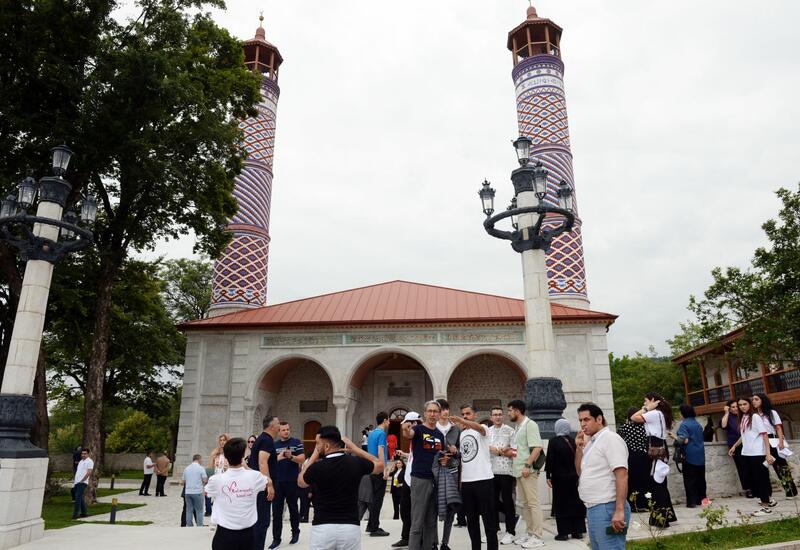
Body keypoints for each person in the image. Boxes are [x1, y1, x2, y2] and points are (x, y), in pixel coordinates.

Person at [298, 425, 384, 550]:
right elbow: (380, 465)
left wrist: (313, 456)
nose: (316, 447)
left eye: (318, 444)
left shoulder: (317, 467)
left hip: (323, 528)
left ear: (326, 446)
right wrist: (356, 449)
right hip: (350, 527)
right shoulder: (355, 463)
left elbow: (301, 482)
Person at [575, 403, 630, 550]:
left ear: (599, 419)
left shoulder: (610, 439)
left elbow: (622, 474)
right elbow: (580, 472)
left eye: (587, 419)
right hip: (594, 507)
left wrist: (619, 510)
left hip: (608, 507)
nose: (583, 424)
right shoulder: (592, 442)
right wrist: (579, 448)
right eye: (580, 420)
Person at [206, 437, 269, 550]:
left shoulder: (216, 480)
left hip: (224, 535)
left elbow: (207, 492)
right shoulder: (255, 476)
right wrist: (246, 467)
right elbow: (268, 481)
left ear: (226, 457)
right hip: (248, 536)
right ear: (243, 456)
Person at [451, 403, 498, 550]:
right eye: (463, 414)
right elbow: (465, 458)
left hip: (484, 480)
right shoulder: (462, 434)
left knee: (489, 520)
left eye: (468, 414)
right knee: (471, 521)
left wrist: (462, 421)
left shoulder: (482, 428)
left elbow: (478, 428)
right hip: (467, 483)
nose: (465, 416)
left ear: (475, 415)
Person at [402, 400, 444, 550]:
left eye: (435, 411)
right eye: (430, 411)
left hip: (435, 481)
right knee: (417, 522)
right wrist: (406, 429)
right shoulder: (418, 430)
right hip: (420, 479)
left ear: (439, 414)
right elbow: (409, 434)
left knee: (431, 523)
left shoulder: (440, 435)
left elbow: (440, 457)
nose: (432, 414)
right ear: (425, 413)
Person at [630, 392, 676, 527]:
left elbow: (634, 417)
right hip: (658, 448)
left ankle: (661, 519)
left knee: (656, 484)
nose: (644, 403)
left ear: (653, 400)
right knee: (660, 483)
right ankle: (666, 516)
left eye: (646, 401)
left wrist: (647, 408)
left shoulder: (655, 413)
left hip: (655, 450)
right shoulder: (659, 414)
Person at [728, 396, 776, 516]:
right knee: (755, 480)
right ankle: (767, 501)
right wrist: (735, 446)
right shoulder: (743, 417)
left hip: (758, 453)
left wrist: (768, 454)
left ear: (749, 404)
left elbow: (764, 435)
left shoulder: (755, 417)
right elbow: (744, 435)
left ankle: (766, 507)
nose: (742, 407)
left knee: (761, 479)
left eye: (744, 404)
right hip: (748, 453)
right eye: (740, 405)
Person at [507, 399, 544, 548]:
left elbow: (537, 447)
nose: (508, 413)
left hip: (527, 470)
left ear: (517, 411)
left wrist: (527, 465)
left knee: (533, 503)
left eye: (510, 410)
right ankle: (530, 533)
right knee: (525, 504)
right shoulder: (517, 427)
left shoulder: (530, 425)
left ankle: (538, 536)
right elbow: (519, 448)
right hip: (519, 471)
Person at [545, 419, 586, 541]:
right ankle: (578, 531)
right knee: (576, 503)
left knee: (561, 505)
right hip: (574, 478)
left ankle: (563, 533)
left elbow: (550, 460)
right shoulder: (574, 441)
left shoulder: (553, 441)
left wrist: (548, 476)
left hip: (560, 479)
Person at [753, 393, 798, 498]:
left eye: (756, 399)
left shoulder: (771, 413)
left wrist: (781, 441)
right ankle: (765, 495)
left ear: (762, 400)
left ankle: (791, 491)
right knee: (763, 467)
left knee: (781, 466)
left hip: (772, 440)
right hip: (760, 442)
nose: (754, 401)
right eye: (753, 399)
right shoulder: (754, 415)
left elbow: (778, 427)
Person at [270, 422, 306, 548]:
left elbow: (302, 458)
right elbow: (270, 462)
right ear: (279, 432)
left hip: (291, 481)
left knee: (293, 509)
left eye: (287, 429)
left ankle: (295, 533)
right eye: (283, 430)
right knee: (277, 512)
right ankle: (276, 539)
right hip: (278, 482)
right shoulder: (274, 445)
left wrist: (291, 457)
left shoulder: (296, 442)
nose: (286, 431)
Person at [391, 411, 422, 549]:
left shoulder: (420, 436)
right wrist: (405, 454)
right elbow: (414, 455)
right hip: (408, 480)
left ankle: (417, 539)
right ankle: (406, 537)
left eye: (407, 425)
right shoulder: (413, 439)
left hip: (416, 480)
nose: (405, 429)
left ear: (414, 423)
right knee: (404, 510)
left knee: (416, 512)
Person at [250, 415, 280, 550]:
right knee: (262, 521)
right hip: (263, 488)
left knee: (260, 521)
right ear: (271, 426)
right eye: (278, 423)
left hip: (258, 485)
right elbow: (262, 462)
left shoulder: (263, 439)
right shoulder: (266, 440)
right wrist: (269, 484)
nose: (279, 426)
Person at [487, 406, 516, 545]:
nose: (497, 417)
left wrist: (499, 451)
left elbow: (514, 451)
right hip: (491, 472)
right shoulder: (488, 431)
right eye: (495, 415)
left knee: (507, 501)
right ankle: (495, 529)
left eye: (499, 414)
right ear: (491, 417)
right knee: (492, 502)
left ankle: (510, 532)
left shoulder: (510, 431)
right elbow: (486, 449)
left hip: (506, 472)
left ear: (503, 416)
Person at [435, 398, 462, 549]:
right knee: (433, 507)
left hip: (452, 472)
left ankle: (445, 543)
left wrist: (456, 451)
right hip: (435, 472)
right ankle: (433, 541)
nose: (445, 412)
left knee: (451, 507)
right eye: (442, 409)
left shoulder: (456, 429)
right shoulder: (431, 428)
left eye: (446, 409)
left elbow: (461, 453)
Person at [670, 404, 707, 508]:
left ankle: (691, 502)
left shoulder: (684, 424)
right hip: (700, 455)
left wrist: (674, 436)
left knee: (689, 480)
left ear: (683, 413)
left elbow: (684, 440)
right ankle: (702, 500)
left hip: (689, 455)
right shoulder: (697, 424)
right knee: (701, 479)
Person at [617, 406, 649, 511]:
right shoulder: (645, 427)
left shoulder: (624, 427)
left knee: (632, 480)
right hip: (644, 455)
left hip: (631, 456)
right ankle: (644, 503)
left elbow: (619, 440)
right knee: (644, 479)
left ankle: (633, 504)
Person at [366, 411, 391, 537]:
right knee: (378, 499)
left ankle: (371, 525)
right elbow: (381, 451)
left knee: (374, 498)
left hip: (372, 468)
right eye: (388, 420)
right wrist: (384, 468)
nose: (389, 422)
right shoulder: (381, 433)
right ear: (385, 420)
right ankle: (374, 528)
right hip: (379, 468)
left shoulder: (371, 434)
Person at [721, 399, 751, 498]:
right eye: (732, 407)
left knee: (750, 465)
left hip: (747, 443)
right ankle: (748, 489)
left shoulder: (744, 416)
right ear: (729, 408)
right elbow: (723, 425)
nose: (735, 409)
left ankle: (755, 486)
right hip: (734, 445)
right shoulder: (728, 417)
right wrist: (726, 413)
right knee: (742, 467)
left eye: (736, 406)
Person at [182, 454, 209, 527]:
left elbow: (183, 481)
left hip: (188, 492)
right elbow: (205, 480)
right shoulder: (201, 468)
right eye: (201, 460)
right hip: (197, 492)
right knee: (199, 510)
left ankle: (189, 525)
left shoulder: (186, 468)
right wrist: (202, 483)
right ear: (199, 459)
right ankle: (199, 525)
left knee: (189, 510)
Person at [72, 448, 93, 519]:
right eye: (82, 453)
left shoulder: (89, 461)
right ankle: (84, 513)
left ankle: (75, 514)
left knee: (77, 498)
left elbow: (89, 472)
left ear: (88, 454)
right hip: (77, 482)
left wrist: (82, 480)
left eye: (85, 454)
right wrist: (76, 481)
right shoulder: (81, 461)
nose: (83, 455)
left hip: (82, 482)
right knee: (80, 497)